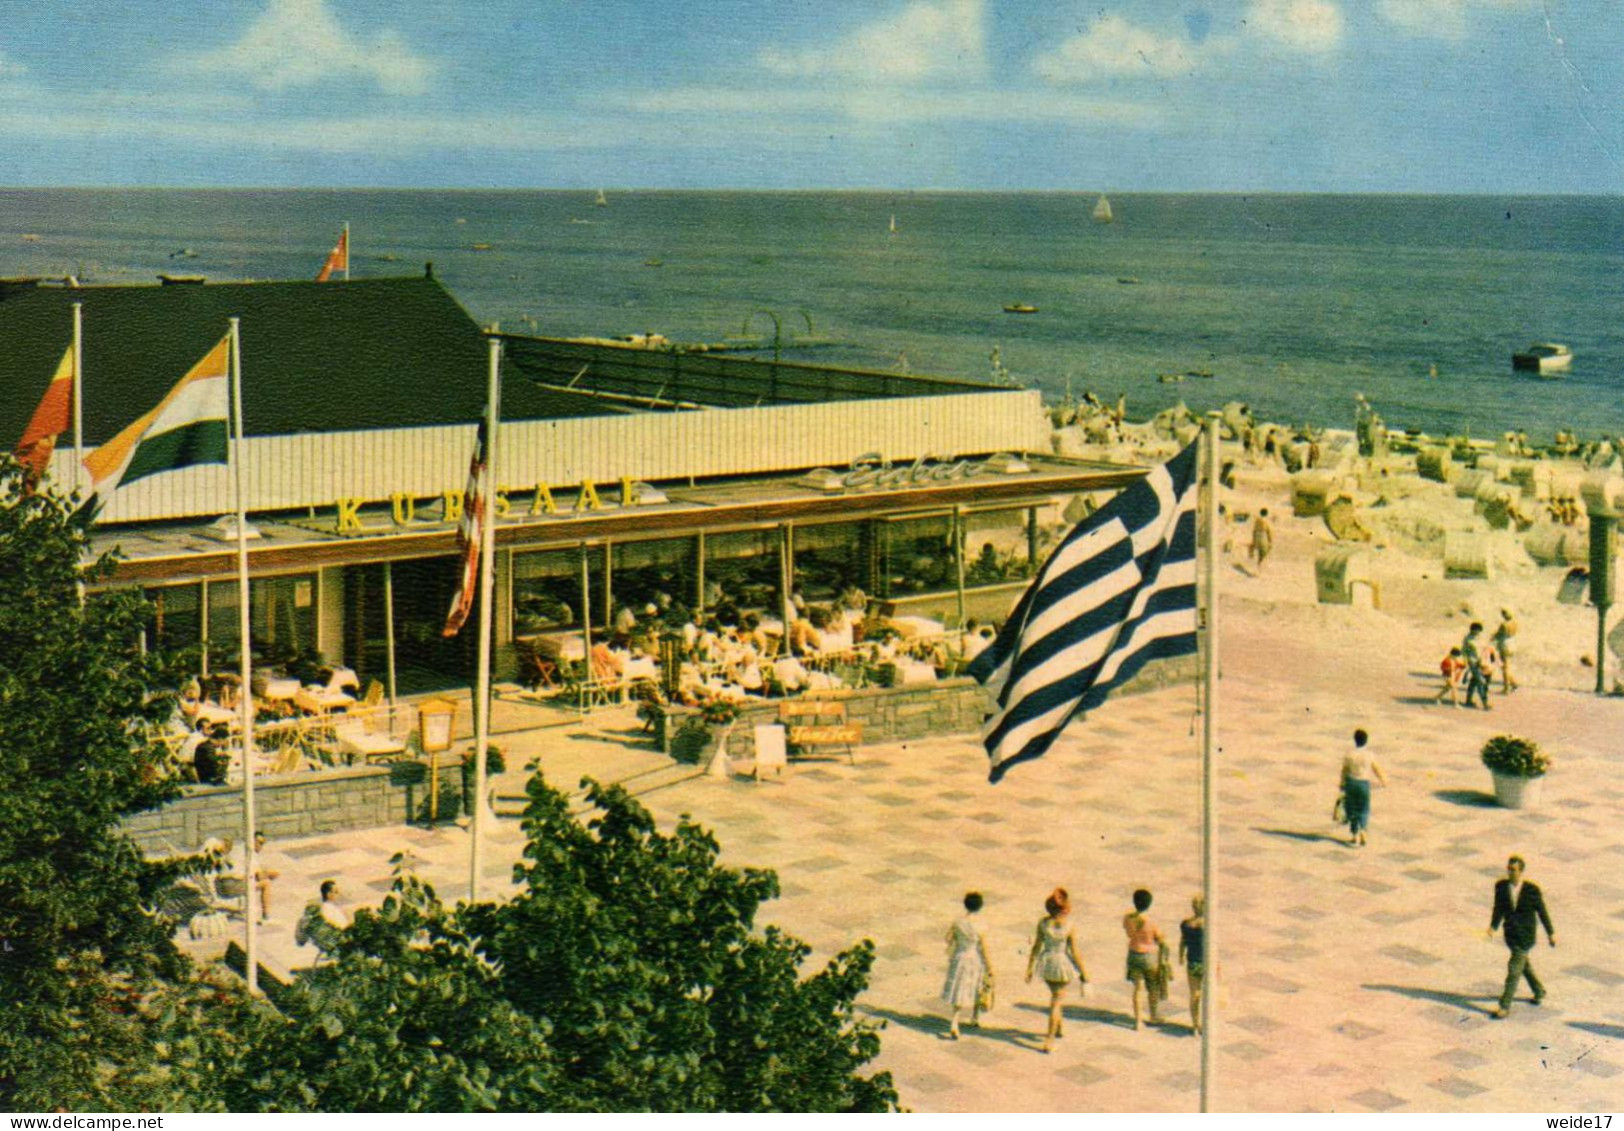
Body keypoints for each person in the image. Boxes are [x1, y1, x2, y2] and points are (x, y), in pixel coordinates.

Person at [1487, 855, 1555, 1018]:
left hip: (1526, 936)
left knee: (1514, 969)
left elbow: (1542, 912)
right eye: (1509, 869)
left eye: (1514, 870)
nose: (1510, 873)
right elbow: (1499, 908)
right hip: (1510, 935)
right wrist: (1493, 926)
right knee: (1523, 965)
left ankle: (1504, 1006)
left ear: (1521, 871)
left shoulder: (1531, 890)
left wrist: (1550, 933)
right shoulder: (1501, 887)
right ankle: (1539, 990)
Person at [1026, 887, 1086, 1053]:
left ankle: (1059, 1028)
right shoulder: (1070, 926)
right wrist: (1084, 973)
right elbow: (1074, 952)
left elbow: (1036, 947)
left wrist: (1030, 967)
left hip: (1047, 963)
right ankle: (1049, 1040)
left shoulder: (1043, 923)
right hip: (1062, 963)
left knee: (1056, 996)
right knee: (1057, 1001)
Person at [942, 892, 992, 1039]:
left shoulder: (958, 922)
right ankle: (975, 1017)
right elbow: (984, 947)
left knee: (959, 988)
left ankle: (955, 1023)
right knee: (977, 986)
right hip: (975, 958)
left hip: (960, 957)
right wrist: (990, 967)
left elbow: (948, 938)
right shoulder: (981, 924)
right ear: (980, 906)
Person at [1122, 889, 1169, 1030]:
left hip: (1133, 954)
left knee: (1137, 989)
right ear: (1149, 904)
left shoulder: (1127, 918)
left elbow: (1128, 932)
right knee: (1153, 987)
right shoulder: (1151, 922)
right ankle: (1153, 1015)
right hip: (1149, 957)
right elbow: (1160, 939)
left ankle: (1137, 1021)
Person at [1338, 728, 1387, 847]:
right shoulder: (1369, 755)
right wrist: (1383, 780)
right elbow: (1376, 769)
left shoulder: (1349, 754)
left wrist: (1342, 783)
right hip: (1364, 783)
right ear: (1366, 741)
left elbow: (1344, 770)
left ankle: (1354, 835)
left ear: (1355, 740)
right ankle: (1363, 830)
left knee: (1353, 809)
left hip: (1351, 783)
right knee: (1364, 808)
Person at [1179, 895, 1205, 1034]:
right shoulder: (1207, 925)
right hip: (1206, 963)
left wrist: (1181, 956)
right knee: (1207, 994)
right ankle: (1206, 1023)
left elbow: (1183, 941)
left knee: (1194, 994)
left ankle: (1195, 1025)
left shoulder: (1185, 924)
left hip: (1192, 962)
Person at [1461, 622, 1492, 710]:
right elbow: (1464, 652)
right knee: (1480, 682)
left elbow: (1486, 649)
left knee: (1474, 681)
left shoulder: (1482, 638)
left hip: (1483, 663)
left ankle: (1468, 700)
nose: (1477, 632)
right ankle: (1485, 703)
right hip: (1473, 663)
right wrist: (1466, 663)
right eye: (1476, 630)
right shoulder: (1468, 639)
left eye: (1479, 631)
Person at [1493, 609, 1520, 694]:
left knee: (1504, 667)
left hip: (1504, 644)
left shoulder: (1504, 624)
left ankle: (1506, 688)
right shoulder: (1515, 623)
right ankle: (1513, 683)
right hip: (1512, 643)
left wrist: (1493, 636)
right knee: (1505, 666)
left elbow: (1499, 634)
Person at [1249, 508, 1274, 572]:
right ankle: (1259, 562)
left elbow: (1254, 530)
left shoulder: (1257, 520)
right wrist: (1270, 540)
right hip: (1263, 535)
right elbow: (1269, 531)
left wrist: (1253, 538)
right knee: (1264, 550)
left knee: (1260, 549)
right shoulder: (1265, 521)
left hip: (1257, 535)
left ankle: (1257, 561)